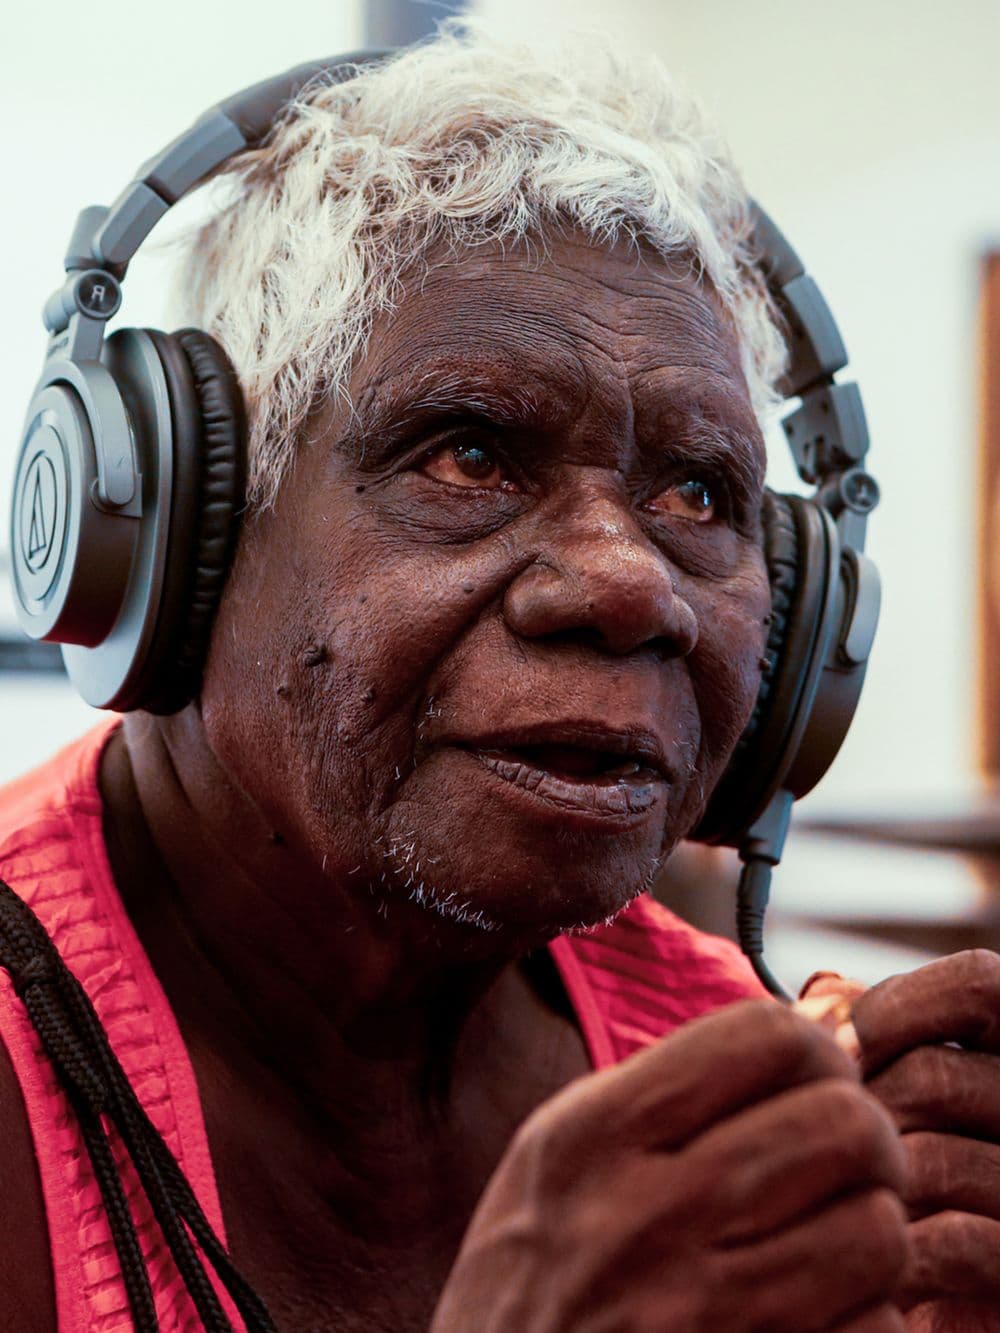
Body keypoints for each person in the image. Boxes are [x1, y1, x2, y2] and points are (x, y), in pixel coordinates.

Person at [2, 26, 999, 1332]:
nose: (629, 583)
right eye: (468, 453)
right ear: (171, 533)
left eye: (702, 490)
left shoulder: (727, 1063)